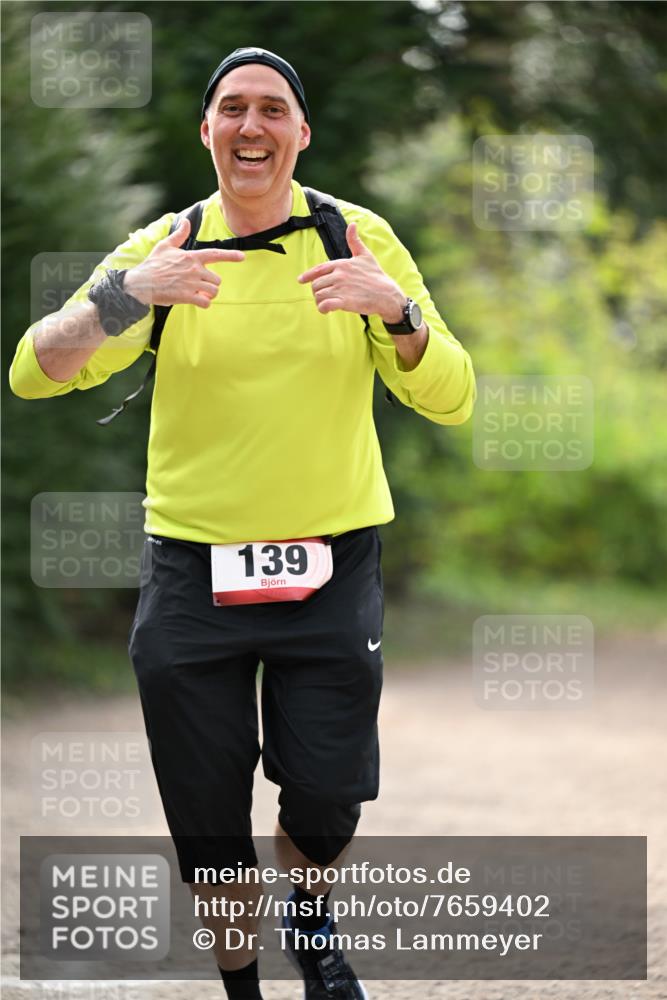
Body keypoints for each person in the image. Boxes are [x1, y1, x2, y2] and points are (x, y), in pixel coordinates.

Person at [10, 47, 475, 1000]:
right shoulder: (163, 248)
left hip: (331, 563)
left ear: (300, 133)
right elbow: (33, 367)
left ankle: (310, 922)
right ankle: (242, 991)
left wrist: (397, 313)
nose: (251, 126)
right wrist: (124, 295)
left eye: (272, 110)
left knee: (327, 792)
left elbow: (452, 397)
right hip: (192, 573)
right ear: (208, 131)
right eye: (232, 109)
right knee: (207, 814)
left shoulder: (356, 238)